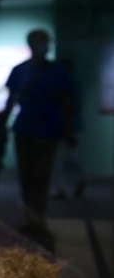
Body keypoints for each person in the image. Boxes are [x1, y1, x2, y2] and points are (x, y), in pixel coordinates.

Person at [4, 29, 75, 250]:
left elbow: (65, 103)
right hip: (25, 128)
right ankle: (31, 218)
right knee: (26, 174)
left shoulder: (56, 71)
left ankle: (38, 218)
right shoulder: (20, 70)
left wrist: (68, 129)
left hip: (48, 130)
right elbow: (11, 100)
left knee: (40, 176)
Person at [51, 58, 86, 199]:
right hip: (60, 126)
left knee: (72, 158)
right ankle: (61, 188)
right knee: (60, 159)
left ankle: (77, 181)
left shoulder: (72, 85)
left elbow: (72, 107)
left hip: (71, 126)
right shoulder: (63, 85)